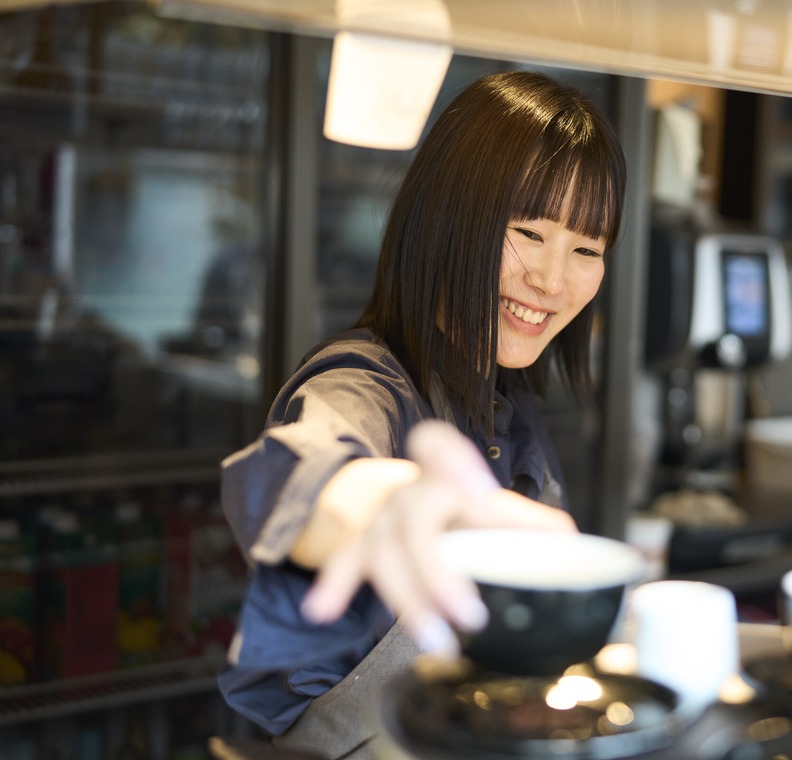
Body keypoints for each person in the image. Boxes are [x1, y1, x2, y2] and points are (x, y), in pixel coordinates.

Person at [216, 69, 627, 758]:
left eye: (586, 249)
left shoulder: (509, 402)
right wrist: (391, 503)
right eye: (528, 232)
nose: (553, 281)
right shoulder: (361, 382)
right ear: (444, 217)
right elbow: (315, 472)